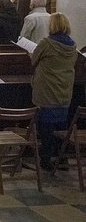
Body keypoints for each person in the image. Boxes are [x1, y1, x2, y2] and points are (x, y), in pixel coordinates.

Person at [31, 13, 79, 171]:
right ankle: (61, 157)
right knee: (61, 124)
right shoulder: (72, 45)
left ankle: (46, 158)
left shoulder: (47, 43)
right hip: (64, 89)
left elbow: (34, 60)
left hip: (46, 90)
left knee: (46, 125)